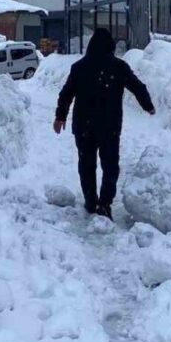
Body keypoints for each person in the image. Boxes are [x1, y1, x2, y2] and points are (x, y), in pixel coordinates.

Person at [54, 29, 155, 219]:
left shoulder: (79, 67)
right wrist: (148, 106)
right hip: (109, 126)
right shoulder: (119, 67)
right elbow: (137, 86)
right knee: (110, 165)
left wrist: (60, 117)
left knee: (86, 164)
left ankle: (91, 201)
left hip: (84, 126)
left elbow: (66, 94)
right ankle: (105, 203)